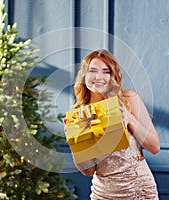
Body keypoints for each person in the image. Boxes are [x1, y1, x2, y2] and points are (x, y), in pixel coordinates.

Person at [64, 49, 160, 199]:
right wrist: (75, 144)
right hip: (103, 194)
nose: (99, 77)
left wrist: (129, 118)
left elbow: (154, 147)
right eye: (93, 71)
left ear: (112, 76)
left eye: (106, 72)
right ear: (84, 76)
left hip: (139, 190)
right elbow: (88, 171)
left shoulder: (128, 99)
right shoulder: (80, 114)